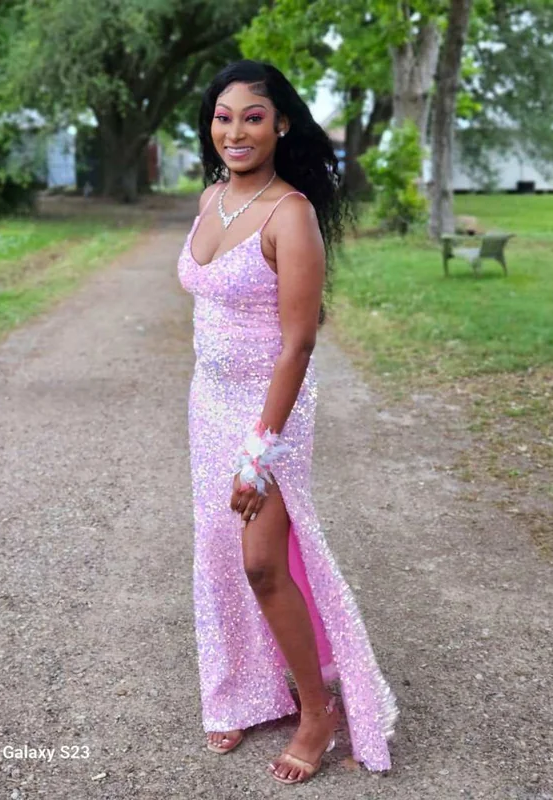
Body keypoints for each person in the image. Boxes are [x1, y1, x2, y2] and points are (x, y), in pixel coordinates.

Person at [176, 59, 398, 785]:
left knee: (262, 563)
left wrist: (257, 454)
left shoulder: (291, 214)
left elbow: (299, 343)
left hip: (269, 413)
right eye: (223, 117)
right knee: (220, 550)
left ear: (281, 126)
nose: (235, 131)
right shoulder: (211, 198)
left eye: (253, 117)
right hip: (208, 402)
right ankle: (242, 689)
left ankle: (316, 711)